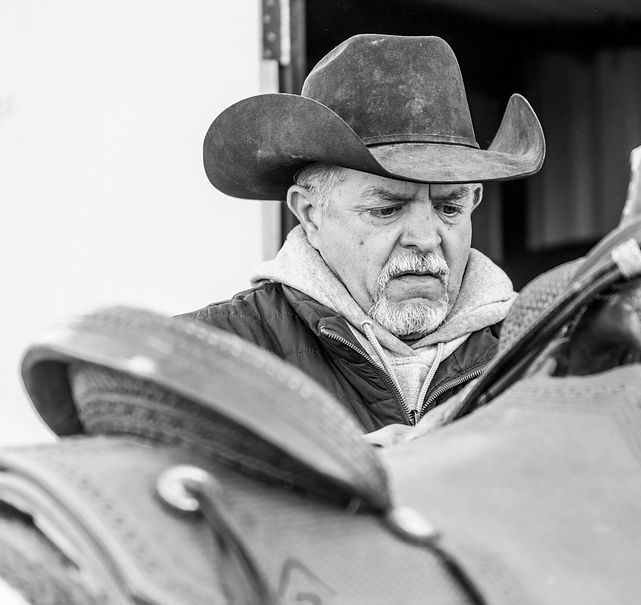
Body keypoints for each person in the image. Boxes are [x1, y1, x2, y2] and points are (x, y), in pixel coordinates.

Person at [183, 33, 545, 440]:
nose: (426, 238)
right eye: (386, 209)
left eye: (449, 208)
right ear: (310, 213)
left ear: (474, 201)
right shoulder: (202, 358)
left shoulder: (548, 351)